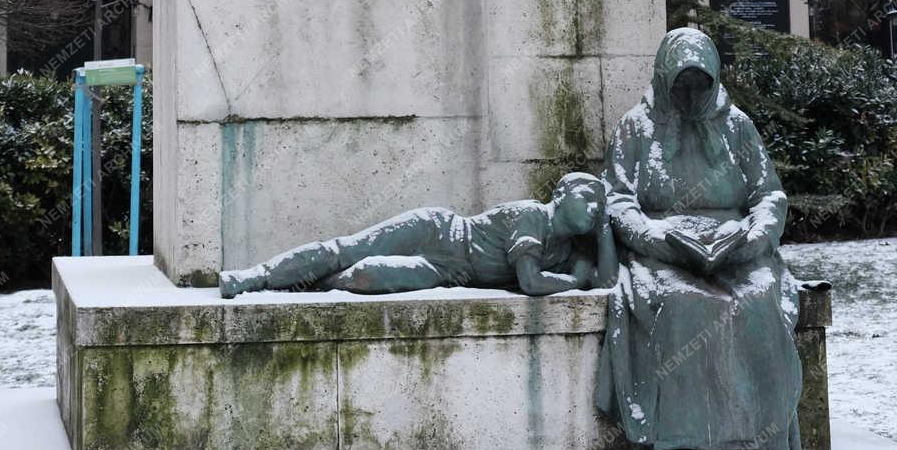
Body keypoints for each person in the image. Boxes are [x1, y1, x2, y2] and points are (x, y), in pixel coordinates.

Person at [597, 28, 803, 450]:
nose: (691, 94)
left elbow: (769, 194)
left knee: (759, 299)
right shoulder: (637, 126)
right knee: (682, 301)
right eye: (681, 83)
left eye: (700, 83)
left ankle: (759, 436)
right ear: (663, 79)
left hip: (737, 247)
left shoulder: (737, 126)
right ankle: (677, 440)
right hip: (663, 249)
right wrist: (655, 238)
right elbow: (617, 199)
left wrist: (753, 238)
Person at [219, 172, 617, 298]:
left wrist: (603, 232)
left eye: (599, 205)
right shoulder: (532, 215)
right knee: (348, 250)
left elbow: (605, 282)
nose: (593, 207)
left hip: (444, 271)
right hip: (440, 231)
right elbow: (531, 282)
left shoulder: (567, 251)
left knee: (365, 276)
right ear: (560, 196)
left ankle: (301, 284)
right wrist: (572, 282)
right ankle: (254, 277)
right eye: (587, 198)